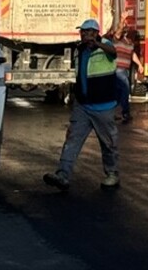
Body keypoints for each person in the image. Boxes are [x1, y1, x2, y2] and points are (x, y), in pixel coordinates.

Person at [43, 19, 120, 191]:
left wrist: (98, 44)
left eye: (88, 31)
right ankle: (62, 175)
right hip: (83, 106)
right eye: (82, 32)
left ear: (96, 32)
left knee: (108, 143)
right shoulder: (79, 50)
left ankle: (112, 174)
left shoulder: (106, 46)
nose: (84, 34)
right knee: (72, 140)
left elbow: (113, 52)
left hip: (103, 106)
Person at [113, 27, 144, 123]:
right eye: (132, 36)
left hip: (125, 70)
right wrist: (122, 20)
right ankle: (125, 113)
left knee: (118, 94)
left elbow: (133, 54)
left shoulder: (130, 44)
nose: (134, 38)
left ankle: (110, 113)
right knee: (125, 91)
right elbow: (118, 31)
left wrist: (139, 64)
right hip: (118, 70)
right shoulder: (118, 40)